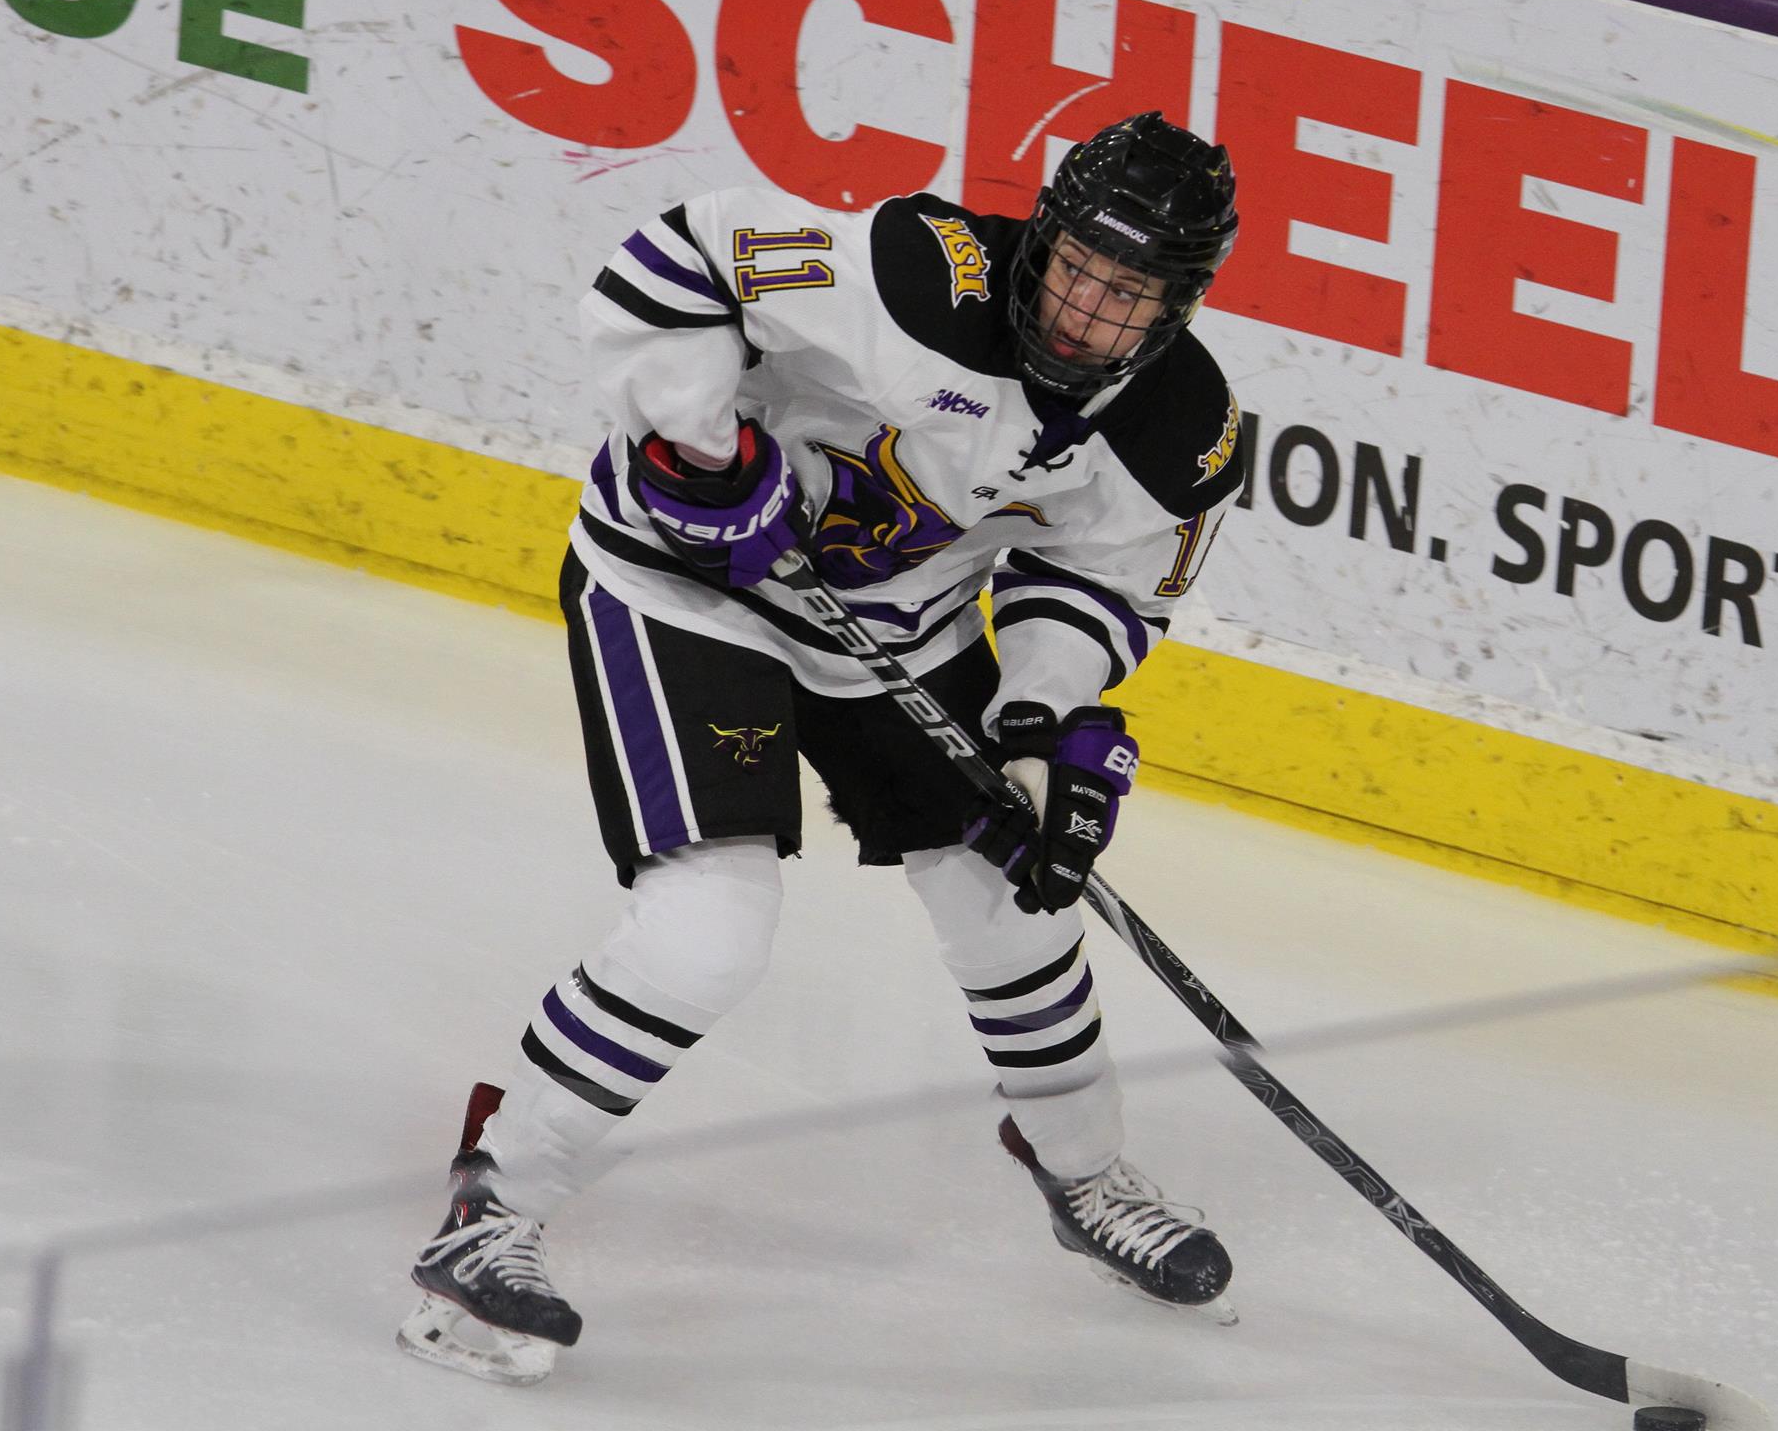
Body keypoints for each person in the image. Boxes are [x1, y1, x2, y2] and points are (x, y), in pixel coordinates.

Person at [397, 112, 1250, 1384]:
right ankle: (492, 1208)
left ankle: (1083, 1176)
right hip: (689, 590)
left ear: (1178, 305)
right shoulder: (920, 273)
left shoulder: (1184, 426)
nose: (1082, 307)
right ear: (1042, 237)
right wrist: (697, 445)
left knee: (1018, 905)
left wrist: (1035, 723)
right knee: (710, 929)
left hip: (888, 637)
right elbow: (675, 258)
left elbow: (1104, 587)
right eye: (1074, 262)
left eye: (1126, 291)